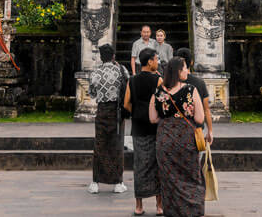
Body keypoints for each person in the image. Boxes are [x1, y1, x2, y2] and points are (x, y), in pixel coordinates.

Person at [149, 57, 205, 217]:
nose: (187, 71)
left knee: (169, 178)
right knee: (191, 175)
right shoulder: (190, 90)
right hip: (186, 139)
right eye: (185, 68)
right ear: (179, 71)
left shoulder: (159, 91)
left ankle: (173, 211)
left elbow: (153, 118)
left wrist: (168, 119)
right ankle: (192, 209)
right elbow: (200, 118)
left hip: (165, 139)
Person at [123, 48, 163, 216]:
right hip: (156, 127)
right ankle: (159, 205)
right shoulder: (159, 80)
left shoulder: (132, 80)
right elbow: (163, 102)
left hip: (138, 127)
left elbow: (126, 104)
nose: (158, 62)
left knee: (139, 165)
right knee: (157, 164)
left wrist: (137, 112)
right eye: (156, 59)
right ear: (149, 62)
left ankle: (139, 205)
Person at [87, 43, 129, 195]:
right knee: (116, 145)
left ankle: (95, 182)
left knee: (100, 144)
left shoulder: (96, 72)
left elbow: (92, 93)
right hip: (117, 110)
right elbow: (127, 87)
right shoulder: (121, 70)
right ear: (113, 56)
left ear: (100, 56)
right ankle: (118, 182)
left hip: (102, 110)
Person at [175, 47, 213, 146]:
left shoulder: (170, 82)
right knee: (195, 160)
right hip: (196, 129)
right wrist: (210, 131)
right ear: (191, 62)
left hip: (175, 130)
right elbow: (206, 109)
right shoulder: (199, 83)